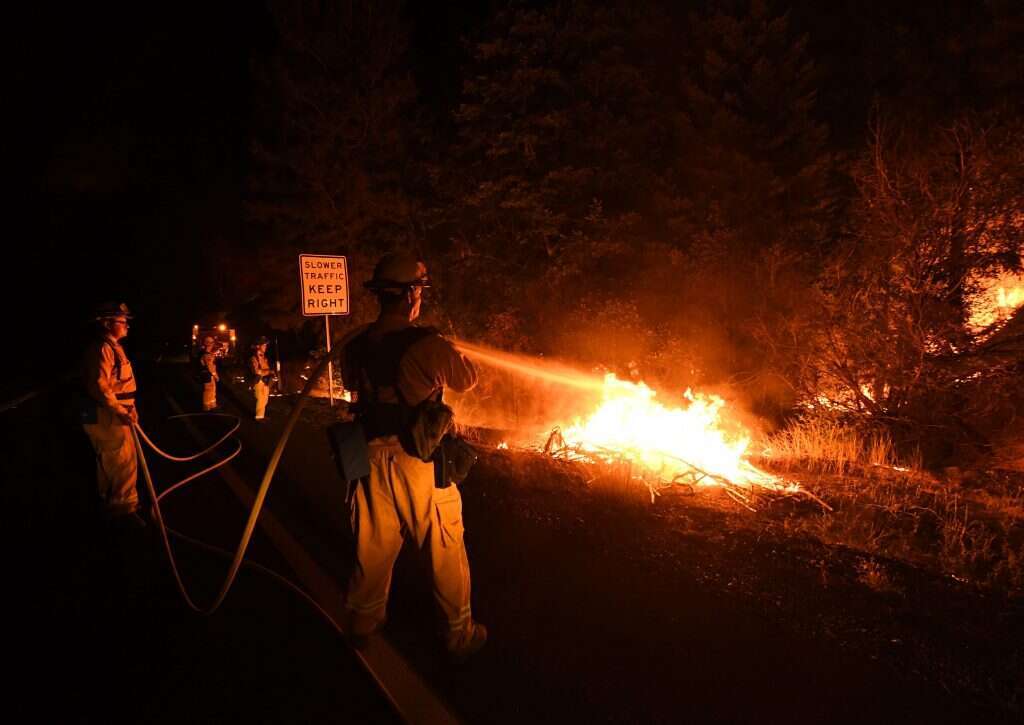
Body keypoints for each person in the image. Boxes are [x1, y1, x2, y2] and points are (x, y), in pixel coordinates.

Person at [341, 251, 486, 662]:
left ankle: (362, 623)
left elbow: (356, 386)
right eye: (419, 290)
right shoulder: (427, 344)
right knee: (444, 541)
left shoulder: (356, 344)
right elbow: (467, 379)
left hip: (367, 456)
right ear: (409, 296)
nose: (420, 297)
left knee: (371, 544)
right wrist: (448, 346)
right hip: (417, 461)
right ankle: (458, 634)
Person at [82, 302, 144, 527]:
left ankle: (117, 506)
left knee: (117, 458)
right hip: (104, 414)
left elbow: (121, 384)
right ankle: (121, 514)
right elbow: (100, 387)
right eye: (122, 321)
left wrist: (130, 407)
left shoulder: (113, 346)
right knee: (119, 459)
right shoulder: (102, 348)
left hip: (111, 412)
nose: (127, 325)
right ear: (107, 323)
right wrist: (120, 410)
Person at [249, 336, 271, 420]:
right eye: (264, 345)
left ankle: (261, 415)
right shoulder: (254, 358)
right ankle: (259, 417)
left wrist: (270, 372)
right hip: (258, 381)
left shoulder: (263, 357)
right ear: (258, 346)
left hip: (265, 381)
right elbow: (256, 371)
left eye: (266, 345)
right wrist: (268, 372)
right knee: (261, 399)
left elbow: (266, 367)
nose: (265, 347)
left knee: (265, 399)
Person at [199, 335, 220, 411]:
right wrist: (216, 376)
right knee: (208, 391)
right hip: (208, 375)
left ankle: (212, 405)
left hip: (208, 375)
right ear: (209, 344)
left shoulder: (208, 354)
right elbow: (210, 367)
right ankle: (207, 407)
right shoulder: (207, 355)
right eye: (212, 343)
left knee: (212, 390)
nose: (213, 344)